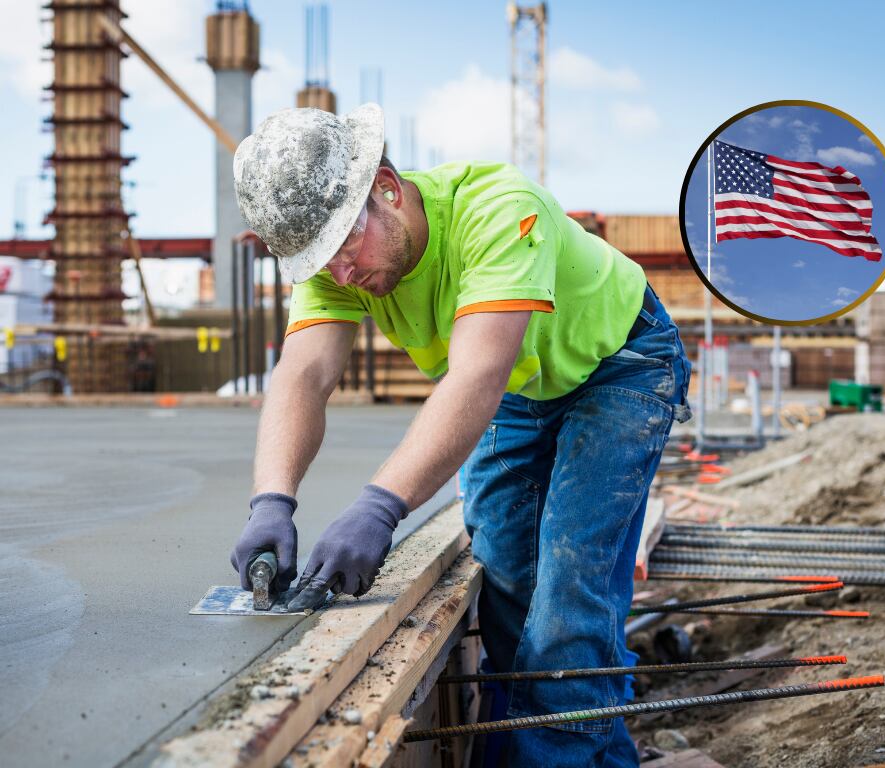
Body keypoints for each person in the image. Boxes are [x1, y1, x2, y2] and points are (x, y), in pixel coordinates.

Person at [229, 103, 691, 767]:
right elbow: (303, 376)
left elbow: (477, 376)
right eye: (319, 265)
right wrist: (272, 500)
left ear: (385, 189)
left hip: (617, 365)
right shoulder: (338, 259)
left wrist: (380, 507)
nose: (341, 276)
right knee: (505, 587)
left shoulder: (499, 210)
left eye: (342, 251)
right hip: (519, 385)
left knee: (567, 608)